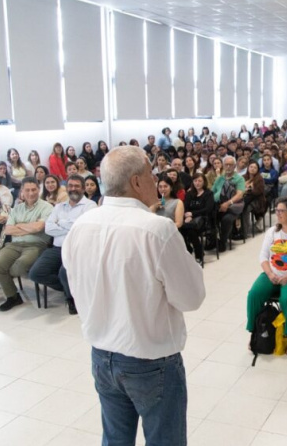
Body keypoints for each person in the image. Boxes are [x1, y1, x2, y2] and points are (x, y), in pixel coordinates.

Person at [63, 146, 204, 445]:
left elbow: (77, 290)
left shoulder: (81, 227)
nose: (158, 181)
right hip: (150, 359)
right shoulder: (157, 230)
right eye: (152, 175)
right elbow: (191, 298)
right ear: (137, 182)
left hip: (102, 356)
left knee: (115, 439)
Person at [246, 197, 287, 356]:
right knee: (254, 294)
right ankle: (255, 332)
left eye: (281, 211)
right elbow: (263, 256)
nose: (278, 213)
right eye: (277, 210)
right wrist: (269, 273)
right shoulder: (273, 232)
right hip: (272, 273)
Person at [28, 175, 95, 315]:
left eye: (77, 186)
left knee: (64, 273)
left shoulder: (90, 206)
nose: (73, 189)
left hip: (77, 249)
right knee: (35, 273)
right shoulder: (59, 206)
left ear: (83, 188)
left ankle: (71, 298)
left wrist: (60, 223)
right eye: (70, 186)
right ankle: (70, 289)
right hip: (57, 248)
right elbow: (48, 228)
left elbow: (81, 227)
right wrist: (70, 225)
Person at [0, 178, 54, 312]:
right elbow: (8, 229)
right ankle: (13, 297)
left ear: (39, 189)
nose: (31, 193)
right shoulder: (16, 209)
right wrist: (28, 227)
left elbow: (39, 227)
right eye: (27, 190)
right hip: (14, 245)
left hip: (36, 245)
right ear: (22, 192)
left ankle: (2, 278)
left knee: (19, 267)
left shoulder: (47, 207)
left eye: (34, 189)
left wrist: (18, 225)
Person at [211, 156, 245, 252]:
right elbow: (212, 191)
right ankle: (213, 240)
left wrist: (228, 203)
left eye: (231, 165)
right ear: (223, 166)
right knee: (209, 216)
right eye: (226, 164)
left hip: (233, 205)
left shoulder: (239, 179)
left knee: (226, 219)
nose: (228, 167)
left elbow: (239, 195)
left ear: (235, 166)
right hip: (218, 204)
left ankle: (222, 242)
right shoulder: (220, 178)